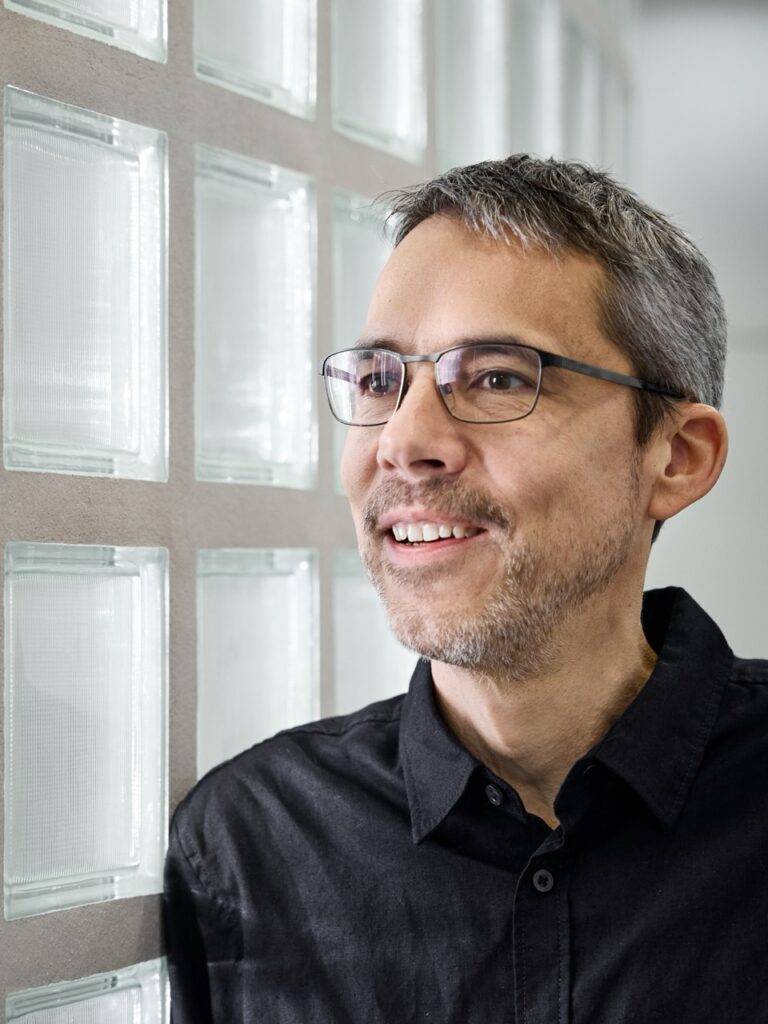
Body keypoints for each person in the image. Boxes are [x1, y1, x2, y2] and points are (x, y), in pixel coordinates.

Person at [163, 155, 768, 1022]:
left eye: (495, 378)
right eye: (379, 380)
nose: (404, 443)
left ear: (676, 457)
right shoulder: (251, 842)